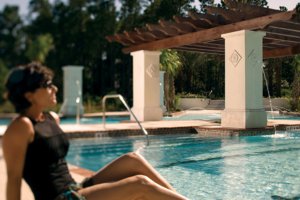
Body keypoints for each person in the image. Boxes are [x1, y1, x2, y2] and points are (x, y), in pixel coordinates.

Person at [2, 62, 187, 200]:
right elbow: (14, 180)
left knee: (132, 160)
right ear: (29, 95)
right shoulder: (21, 127)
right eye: (47, 85)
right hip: (60, 199)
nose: (55, 88)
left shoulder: (51, 117)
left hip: (75, 188)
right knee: (140, 184)